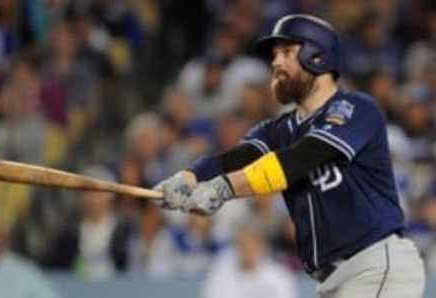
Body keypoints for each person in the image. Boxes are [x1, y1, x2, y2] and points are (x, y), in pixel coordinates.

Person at [154, 14, 426, 298]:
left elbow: (303, 157)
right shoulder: (279, 130)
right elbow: (234, 159)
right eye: (274, 55)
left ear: (317, 56)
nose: (275, 63)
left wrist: (224, 188)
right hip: (334, 281)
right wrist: (187, 177)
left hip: (375, 266)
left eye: (286, 53)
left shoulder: (355, 108)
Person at [201, 222, 296, 298]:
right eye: (244, 245)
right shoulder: (219, 275)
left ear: (263, 247)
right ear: (237, 247)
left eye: (253, 245)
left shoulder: (279, 277)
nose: (248, 250)